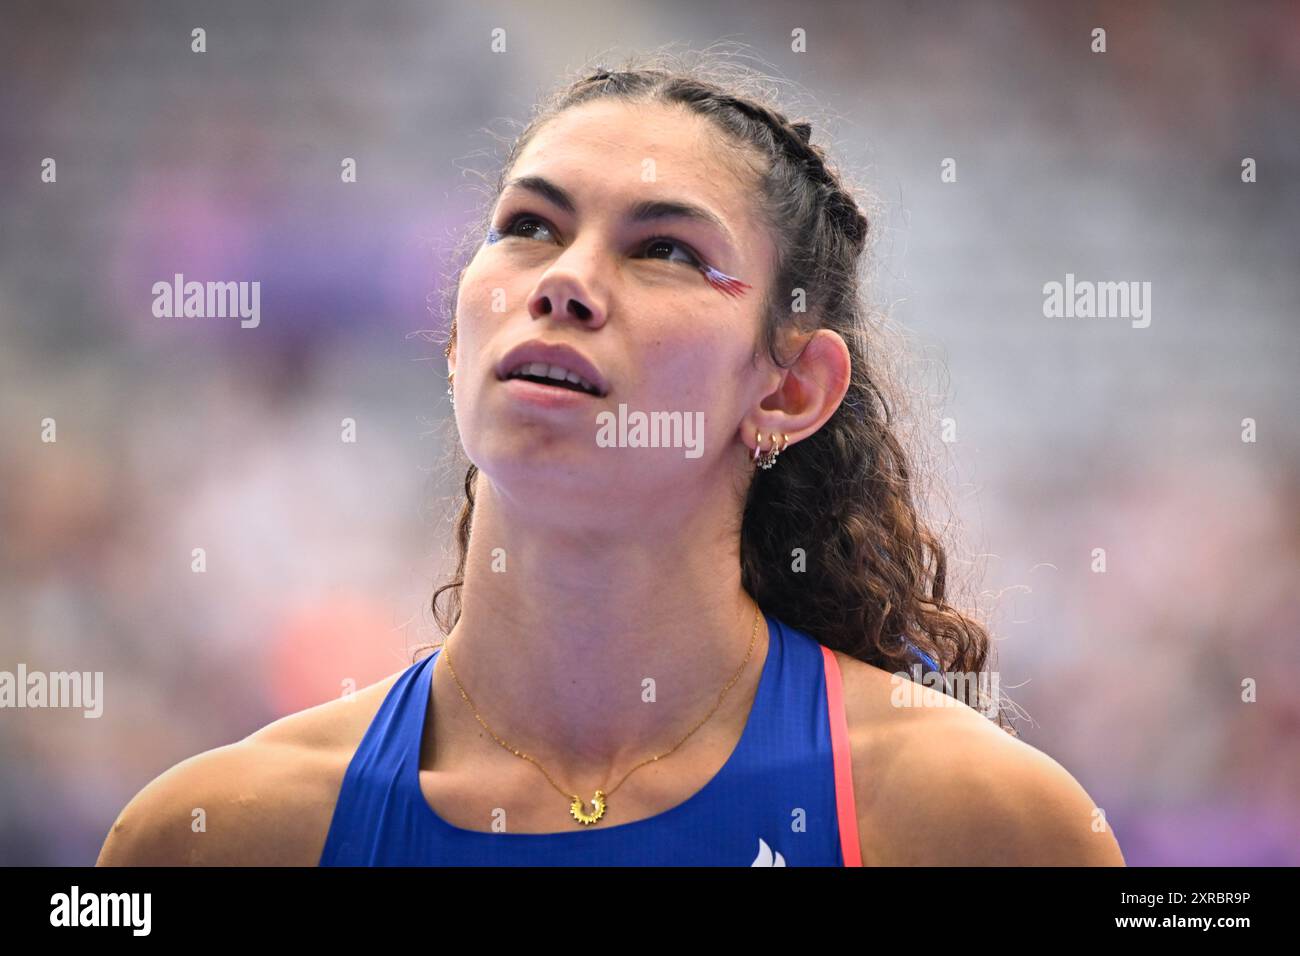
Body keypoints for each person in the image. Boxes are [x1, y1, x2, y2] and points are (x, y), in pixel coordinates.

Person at [97, 50, 1125, 866]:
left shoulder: (978, 822)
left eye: (665, 249)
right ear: (457, 339)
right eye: (527, 227)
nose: (566, 282)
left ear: (789, 388)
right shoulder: (217, 832)